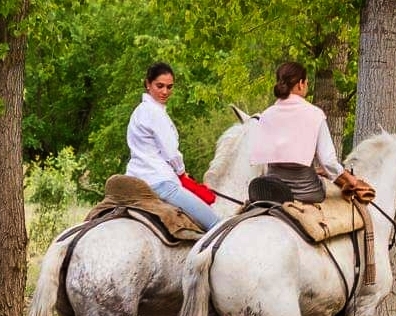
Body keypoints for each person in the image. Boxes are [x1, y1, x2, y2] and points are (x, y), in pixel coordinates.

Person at [249, 61, 375, 204]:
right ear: (300, 84)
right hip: (306, 191)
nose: (307, 86)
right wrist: (352, 180)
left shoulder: (266, 115)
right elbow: (328, 162)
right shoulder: (315, 114)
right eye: (307, 83)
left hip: (270, 191)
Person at [126, 62, 220, 231]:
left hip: (136, 178)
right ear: (148, 84)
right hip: (161, 182)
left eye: (169, 87)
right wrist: (182, 174)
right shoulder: (155, 113)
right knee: (217, 225)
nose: (165, 92)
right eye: (159, 86)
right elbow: (171, 153)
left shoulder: (139, 111)